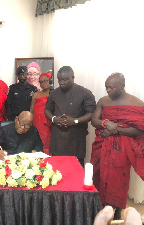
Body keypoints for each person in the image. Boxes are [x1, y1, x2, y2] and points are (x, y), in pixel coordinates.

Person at [91, 73, 144, 219]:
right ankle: (99, 208)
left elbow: (140, 129)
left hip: (121, 149)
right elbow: (94, 120)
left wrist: (115, 130)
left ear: (122, 86)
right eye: (106, 87)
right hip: (101, 147)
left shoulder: (136, 104)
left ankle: (117, 212)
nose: (108, 90)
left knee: (118, 180)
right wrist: (105, 123)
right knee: (98, 175)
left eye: (111, 87)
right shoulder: (103, 101)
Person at [44, 66, 96, 166]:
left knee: (76, 170)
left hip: (76, 139)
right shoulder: (54, 93)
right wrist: (54, 119)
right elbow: (47, 110)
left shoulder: (85, 93)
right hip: (58, 138)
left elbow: (91, 114)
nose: (61, 82)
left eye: (65, 79)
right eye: (59, 80)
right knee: (57, 169)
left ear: (73, 77)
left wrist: (74, 121)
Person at [30, 71, 52, 154]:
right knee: (38, 142)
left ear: (50, 81)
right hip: (37, 123)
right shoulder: (36, 95)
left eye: (45, 81)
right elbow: (31, 111)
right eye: (41, 82)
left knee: (48, 142)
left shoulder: (54, 94)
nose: (43, 83)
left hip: (49, 122)